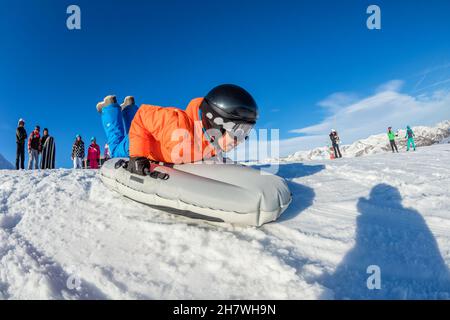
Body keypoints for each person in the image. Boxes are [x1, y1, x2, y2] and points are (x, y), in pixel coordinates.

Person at [96, 84, 258, 175]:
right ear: (215, 123)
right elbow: (143, 117)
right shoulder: (176, 125)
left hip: (152, 135)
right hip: (141, 141)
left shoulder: (211, 142)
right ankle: (110, 107)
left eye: (247, 131)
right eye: (239, 130)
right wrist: (138, 156)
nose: (241, 139)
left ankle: (129, 108)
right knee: (117, 148)